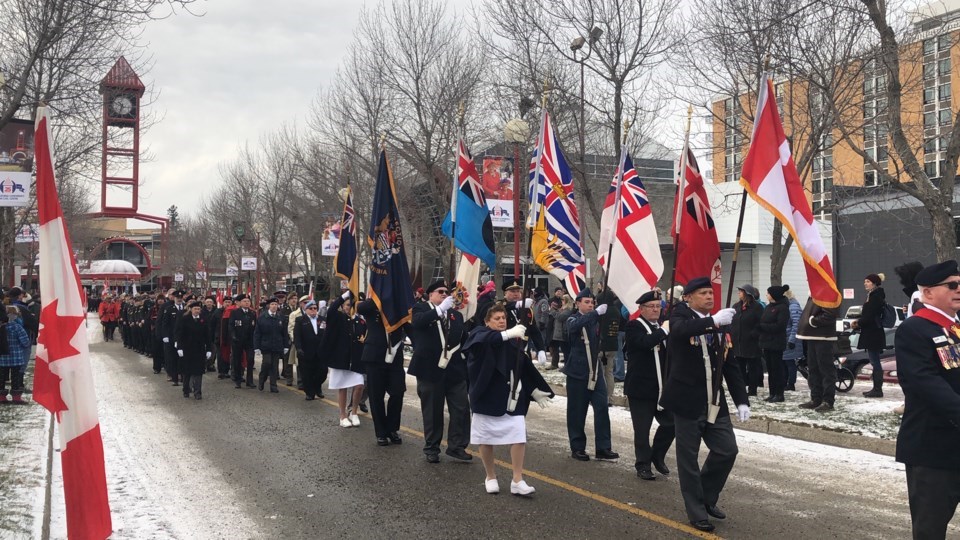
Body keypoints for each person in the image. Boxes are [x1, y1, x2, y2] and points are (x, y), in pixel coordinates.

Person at [660, 277, 748, 533]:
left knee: (727, 450)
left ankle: (707, 497)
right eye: (703, 293)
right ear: (688, 297)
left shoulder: (720, 322)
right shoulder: (677, 315)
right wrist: (712, 321)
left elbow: (730, 365)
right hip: (687, 400)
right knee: (688, 459)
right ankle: (697, 511)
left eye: (711, 292)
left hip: (714, 400)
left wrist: (741, 399)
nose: (709, 297)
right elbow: (679, 331)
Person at [894, 260, 960, 539]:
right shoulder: (914, 329)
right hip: (934, 447)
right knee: (930, 528)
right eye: (952, 285)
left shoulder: (956, 327)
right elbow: (924, 382)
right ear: (928, 293)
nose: (959, 290)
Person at [462, 303, 553, 495]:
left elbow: (522, 368)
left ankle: (517, 480)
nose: (502, 321)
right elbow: (480, 342)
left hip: (511, 397)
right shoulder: (480, 334)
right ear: (487, 321)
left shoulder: (512, 341)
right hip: (486, 396)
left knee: (519, 436)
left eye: (503, 318)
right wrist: (506, 334)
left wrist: (533, 390)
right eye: (497, 318)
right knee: (486, 439)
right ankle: (490, 476)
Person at [408, 280, 471, 463]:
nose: (445, 294)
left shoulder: (455, 315)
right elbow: (418, 323)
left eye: (446, 292)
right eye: (440, 291)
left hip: (454, 370)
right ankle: (432, 447)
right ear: (430, 294)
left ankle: (457, 446)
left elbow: (464, 338)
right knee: (433, 412)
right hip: (430, 369)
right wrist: (439, 310)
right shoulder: (420, 309)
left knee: (461, 408)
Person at [623, 289, 675, 480]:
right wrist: (663, 331)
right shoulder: (634, 326)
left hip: (663, 387)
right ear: (641, 309)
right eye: (651, 307)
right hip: (641, 388)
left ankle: (657, 455)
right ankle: (642, 464)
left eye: (658, 306)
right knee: (642, 430)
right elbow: (644, 343)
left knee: (672, 424)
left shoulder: (662, 327)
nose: (655, 310)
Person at [564, 288, 619, 462]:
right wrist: (595, 313)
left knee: (602, 408)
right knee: (577, 411)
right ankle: (578, 447)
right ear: (577, 303)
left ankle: (603, 447)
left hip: (595, 371)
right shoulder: (573, 318)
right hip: (578, 372)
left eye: (592, 302)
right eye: (586, 302)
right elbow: (574, 326)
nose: (590, 305)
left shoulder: (596, 320)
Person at [357, 297, 407, 446]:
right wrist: (382, 297)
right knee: (376, 396)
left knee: (397, 392)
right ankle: (381, 432)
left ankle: (392, 429)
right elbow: (360, 308)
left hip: (395, 355)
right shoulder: (372, 303)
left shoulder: (399, 303)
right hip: (375, 356)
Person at [325, 291, 365, 426]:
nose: (349, 307)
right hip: (341, 358)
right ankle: (342, 416)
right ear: (342, 306)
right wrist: (343, 296)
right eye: (347, 305)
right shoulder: (338, 317)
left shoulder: (359, 320)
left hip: (356, 359)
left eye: (351, 305)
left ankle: (354, 412)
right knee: (343, 387)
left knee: (359, 385)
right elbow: (330, 311)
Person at [796, 297, 839, 412]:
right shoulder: (813, 295)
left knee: (826, 370)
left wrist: (813, 321)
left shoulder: (825, 293)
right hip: (812, 336)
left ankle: (828, 401)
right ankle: (816, 399)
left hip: (823, 337)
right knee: (813, 369)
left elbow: (829, 314)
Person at [853, 273, 887, 397]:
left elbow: (869, 316)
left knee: (875, 361)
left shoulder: (875, 296)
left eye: (867, 281)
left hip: (874, 333)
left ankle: (877, 389)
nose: (865, 283)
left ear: (874, 283)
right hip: (873, 332)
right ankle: (876, 388)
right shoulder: (874, 295)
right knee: (874, 361)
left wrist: (858, 323)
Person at [728, 285, 763, 396]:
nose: (738, 293)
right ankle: (741, 388)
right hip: (738, 342)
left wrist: (754, 334)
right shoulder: (736, 306)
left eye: (741, 291)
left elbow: (761, 323)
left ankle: (753, 389)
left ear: (747, 293)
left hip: (751, 343)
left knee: (753, 367)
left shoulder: (756, 307)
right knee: (739, 367)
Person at [758, 285, 791, 403]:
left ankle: (779, 393)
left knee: (777, 368)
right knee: (771, 369)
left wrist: (762, 327)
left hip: (776, 341)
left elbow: (780, 326)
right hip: (766, 342)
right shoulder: (768, 307)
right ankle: (772, 393)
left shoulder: (782, 308)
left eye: (768, 293)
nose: (766, 295)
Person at [175, 301, 213, 400]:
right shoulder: (185, 319)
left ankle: (198, 392)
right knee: (187, 371)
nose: (197, 311)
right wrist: (179, 347)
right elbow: (180, 334)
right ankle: (186, 389)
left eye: (198, 309)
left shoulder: (203, 320)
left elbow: (207, 336)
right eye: (195, 309)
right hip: (187, 348)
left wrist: (209, 349)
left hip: (199, 349)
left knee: (198, 371)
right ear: (191, 309)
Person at [253, 297, 289, 393]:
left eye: (276, 305)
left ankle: (273, 385)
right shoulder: (262, 317)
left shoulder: (280, 317)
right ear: (269, 306)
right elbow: (257, 333)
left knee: (274, 366)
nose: (274, 306)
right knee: (267, 363)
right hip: (266, 345)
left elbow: (284, 333)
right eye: (272, 304)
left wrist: (286, 345)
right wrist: (256, 347)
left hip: (277, 345)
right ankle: (262, 379)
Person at [294, 299, 328, 401]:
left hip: (320, 352)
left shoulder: (322, 319)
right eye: (311, 308)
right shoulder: (300, 320)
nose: (313, 310)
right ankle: (309, 392)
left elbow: (327, 335)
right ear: (306, 309)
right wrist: (299, 348)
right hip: (306, 351)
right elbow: (297, 336)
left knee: (323, 372)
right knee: (307, 374)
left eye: (315, 308)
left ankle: (317, 387)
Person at [0, 306, 29, 404]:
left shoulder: (1, 327)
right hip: (16, 357)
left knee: (1, 378)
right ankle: (16, 397)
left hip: (2, 358)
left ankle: (1, 397)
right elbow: (25, 341)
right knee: (15, 378)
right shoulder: (16, 327)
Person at [229, 294, 258, 389]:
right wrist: (233, 336)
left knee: (250, 360)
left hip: (249, 341)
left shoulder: (252, 313)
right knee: (237, 361)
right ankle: (238, 380)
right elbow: (231, 326)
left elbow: (255, 327)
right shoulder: (235, 312)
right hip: (238, 340)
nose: (246, 303)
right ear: (240, 303)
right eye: (244, 301)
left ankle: (250, 381)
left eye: (248, 301)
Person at [158, 290, 186, 386]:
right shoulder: (169, 309)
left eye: (180, 298)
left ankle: (182, 376)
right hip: (171, 337)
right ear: (174, 298)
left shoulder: (186, 309)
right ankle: (174, 378)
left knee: (182, 358)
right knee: (172, 358)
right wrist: (165, 335)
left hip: (182, 337)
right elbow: (165, 324)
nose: (179, 299)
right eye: (177, 298)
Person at [285, 295, 309, 389]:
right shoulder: (294, 314)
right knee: (298, 362)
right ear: (301, 304)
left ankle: (307, 380)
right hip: (297, 342)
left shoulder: (312, 312)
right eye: (305, 303)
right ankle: (300, 382)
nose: (307, 305)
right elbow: (291, 329)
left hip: (309, 342)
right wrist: (295, 340)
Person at [782, 288, 803, 392]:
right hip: (787, 337)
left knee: (789, 363)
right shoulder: (790, 305)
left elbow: (796, 324)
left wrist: (791, 340)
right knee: (786, 362)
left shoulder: (793, 306)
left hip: (790, 339)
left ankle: (791, 383)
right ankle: (786, 382)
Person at [545, 297, 564, 370]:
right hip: (551, 332)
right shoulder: (552, 312)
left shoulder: (554, 313)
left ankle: (554, 364)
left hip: (553, 333)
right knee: (552, 347)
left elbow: (552, 324)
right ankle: (554, 363)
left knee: (554, 348)